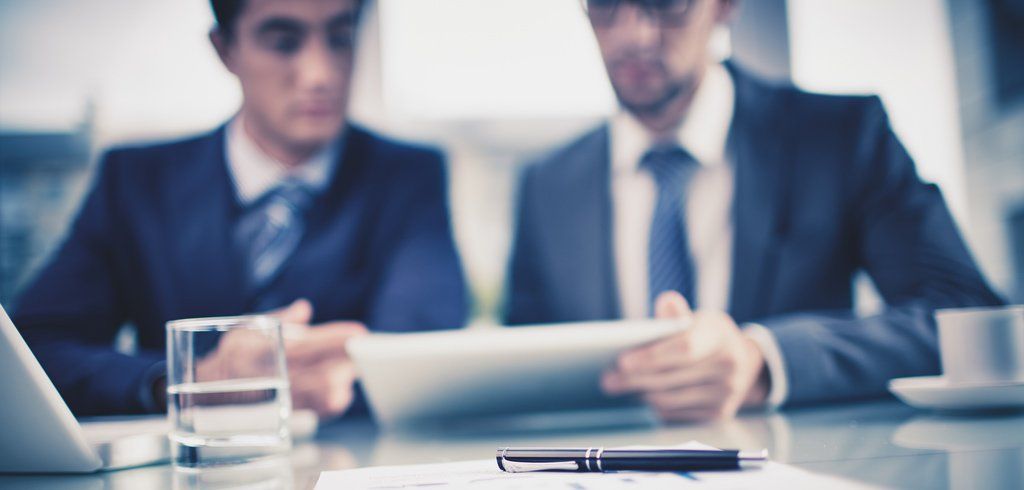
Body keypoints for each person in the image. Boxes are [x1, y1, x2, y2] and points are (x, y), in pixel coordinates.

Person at [505, 0, 1003, 422]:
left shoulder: (840, 137)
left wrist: (765, 360)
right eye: (607, 6)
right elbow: (519, 362)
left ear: (725, 6)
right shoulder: (547, 183)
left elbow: (966, 315)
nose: (633, 34)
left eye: (667, 3)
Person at [12, 0, 467, 418]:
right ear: (224, 49)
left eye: (340, 39)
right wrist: (188, 382)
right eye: (284, 42)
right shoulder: (135, 182)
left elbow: (422, 355)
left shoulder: (409, 177)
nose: (319, 74)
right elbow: (32, 352)